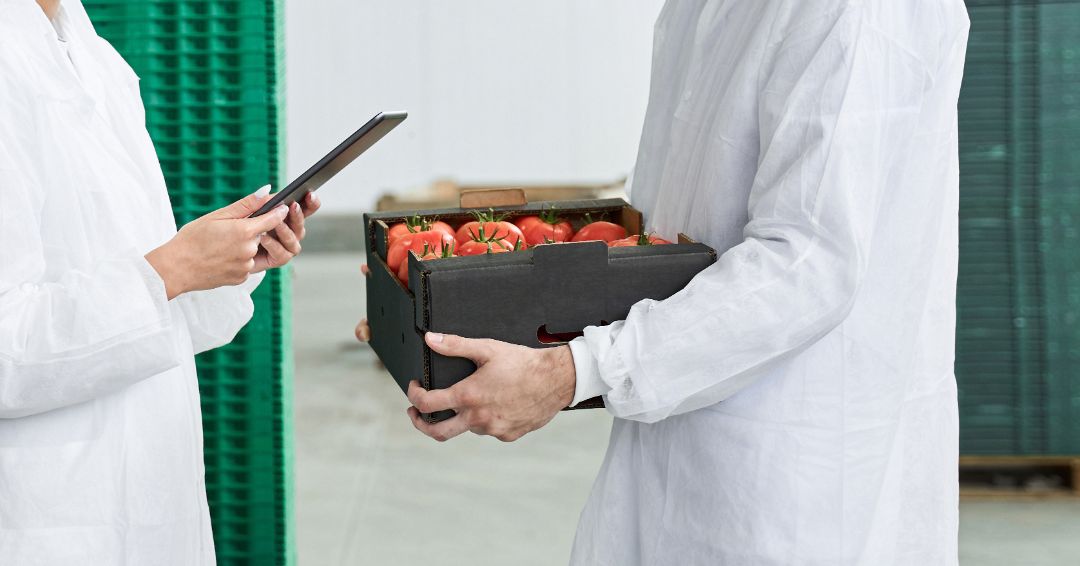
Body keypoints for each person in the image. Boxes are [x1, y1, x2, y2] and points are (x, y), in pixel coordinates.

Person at [360, 1, 970, 564]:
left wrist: (575, 371)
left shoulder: (855, 11)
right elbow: (678, 225)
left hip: (796, 461)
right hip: (677, 425)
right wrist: (475, 305)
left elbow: (807, 263)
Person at [0, 0, 318, 563]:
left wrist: (226, 262)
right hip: (47, 518)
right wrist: (169, 272)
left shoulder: (97, 60)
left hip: (152, 497)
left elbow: (149, 310)